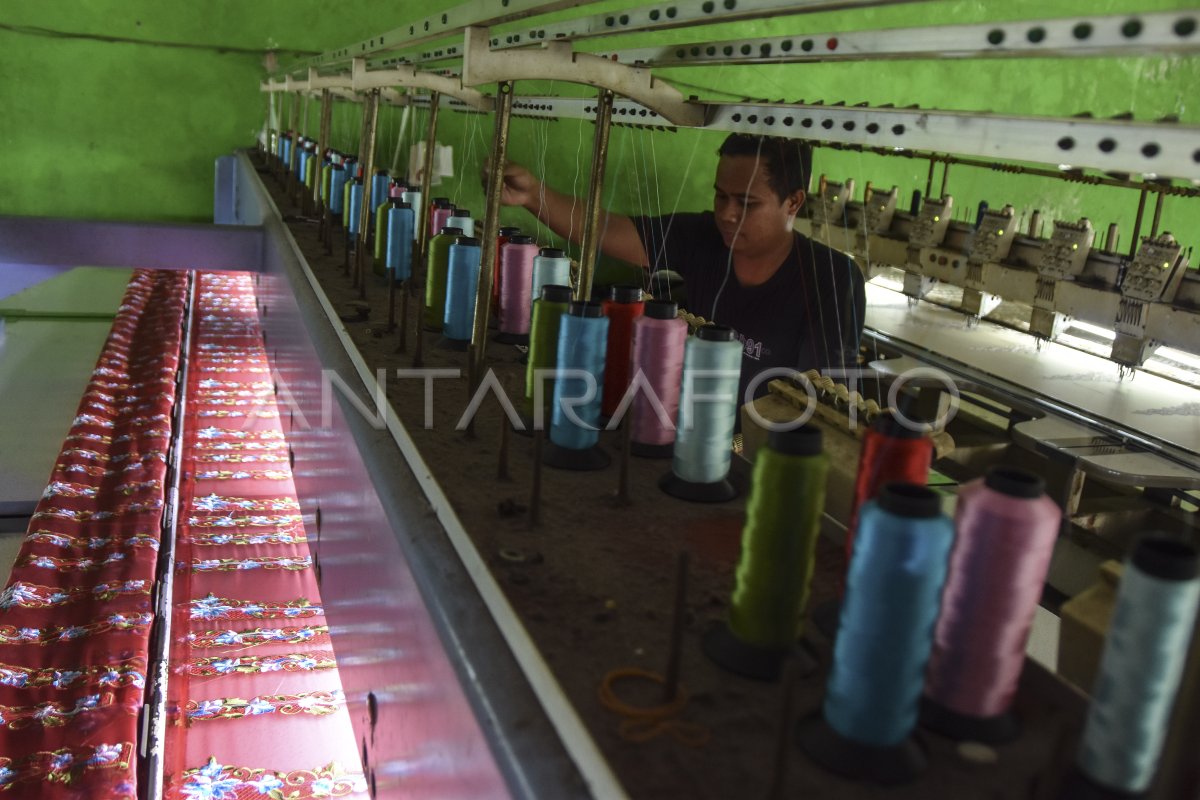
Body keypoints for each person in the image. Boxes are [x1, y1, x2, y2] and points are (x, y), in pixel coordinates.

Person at [497, 133, 866, 406]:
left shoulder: (832, 279)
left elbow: (818, 406)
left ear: (794, 202)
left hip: (760, 456)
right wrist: (532, 195)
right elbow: (608, 229)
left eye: (746, 203)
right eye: (720, 196)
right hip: (684, 431)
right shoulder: (705, 237)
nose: (726, 213)